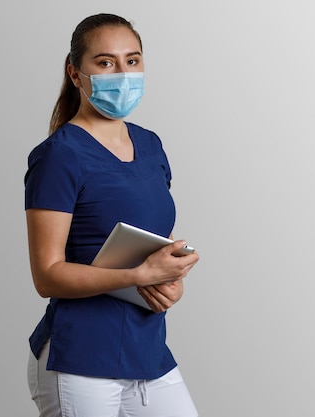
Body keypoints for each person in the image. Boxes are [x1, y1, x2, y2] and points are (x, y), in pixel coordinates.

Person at [24, 13, 200, 417]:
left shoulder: (151, 145)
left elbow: (147, 248)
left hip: (148, 349)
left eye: (132, 61)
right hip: (81, 356)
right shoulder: (59, 156)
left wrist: (168, 282)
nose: (122, 73)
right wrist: (139, 277)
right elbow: (46, 274)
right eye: (105, 63)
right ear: (75, 73)